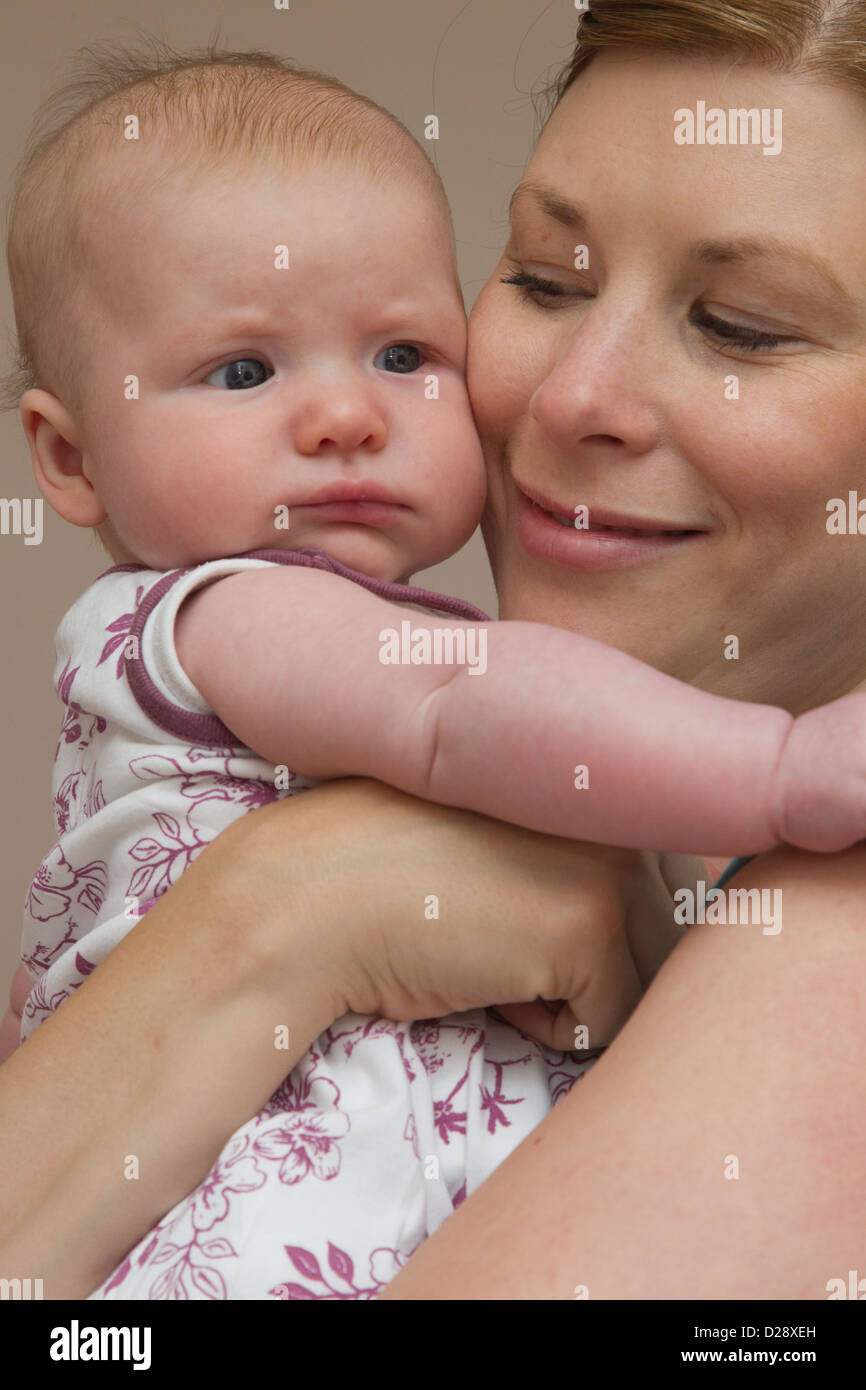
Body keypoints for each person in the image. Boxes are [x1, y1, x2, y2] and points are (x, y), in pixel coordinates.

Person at [4, 0, 866, 1298]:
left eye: (741, 325)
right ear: (67, 455)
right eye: (547, 280)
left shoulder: (829, 950)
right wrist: (284, 918)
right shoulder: (243, 625)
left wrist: (285, 922)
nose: (570, 396)